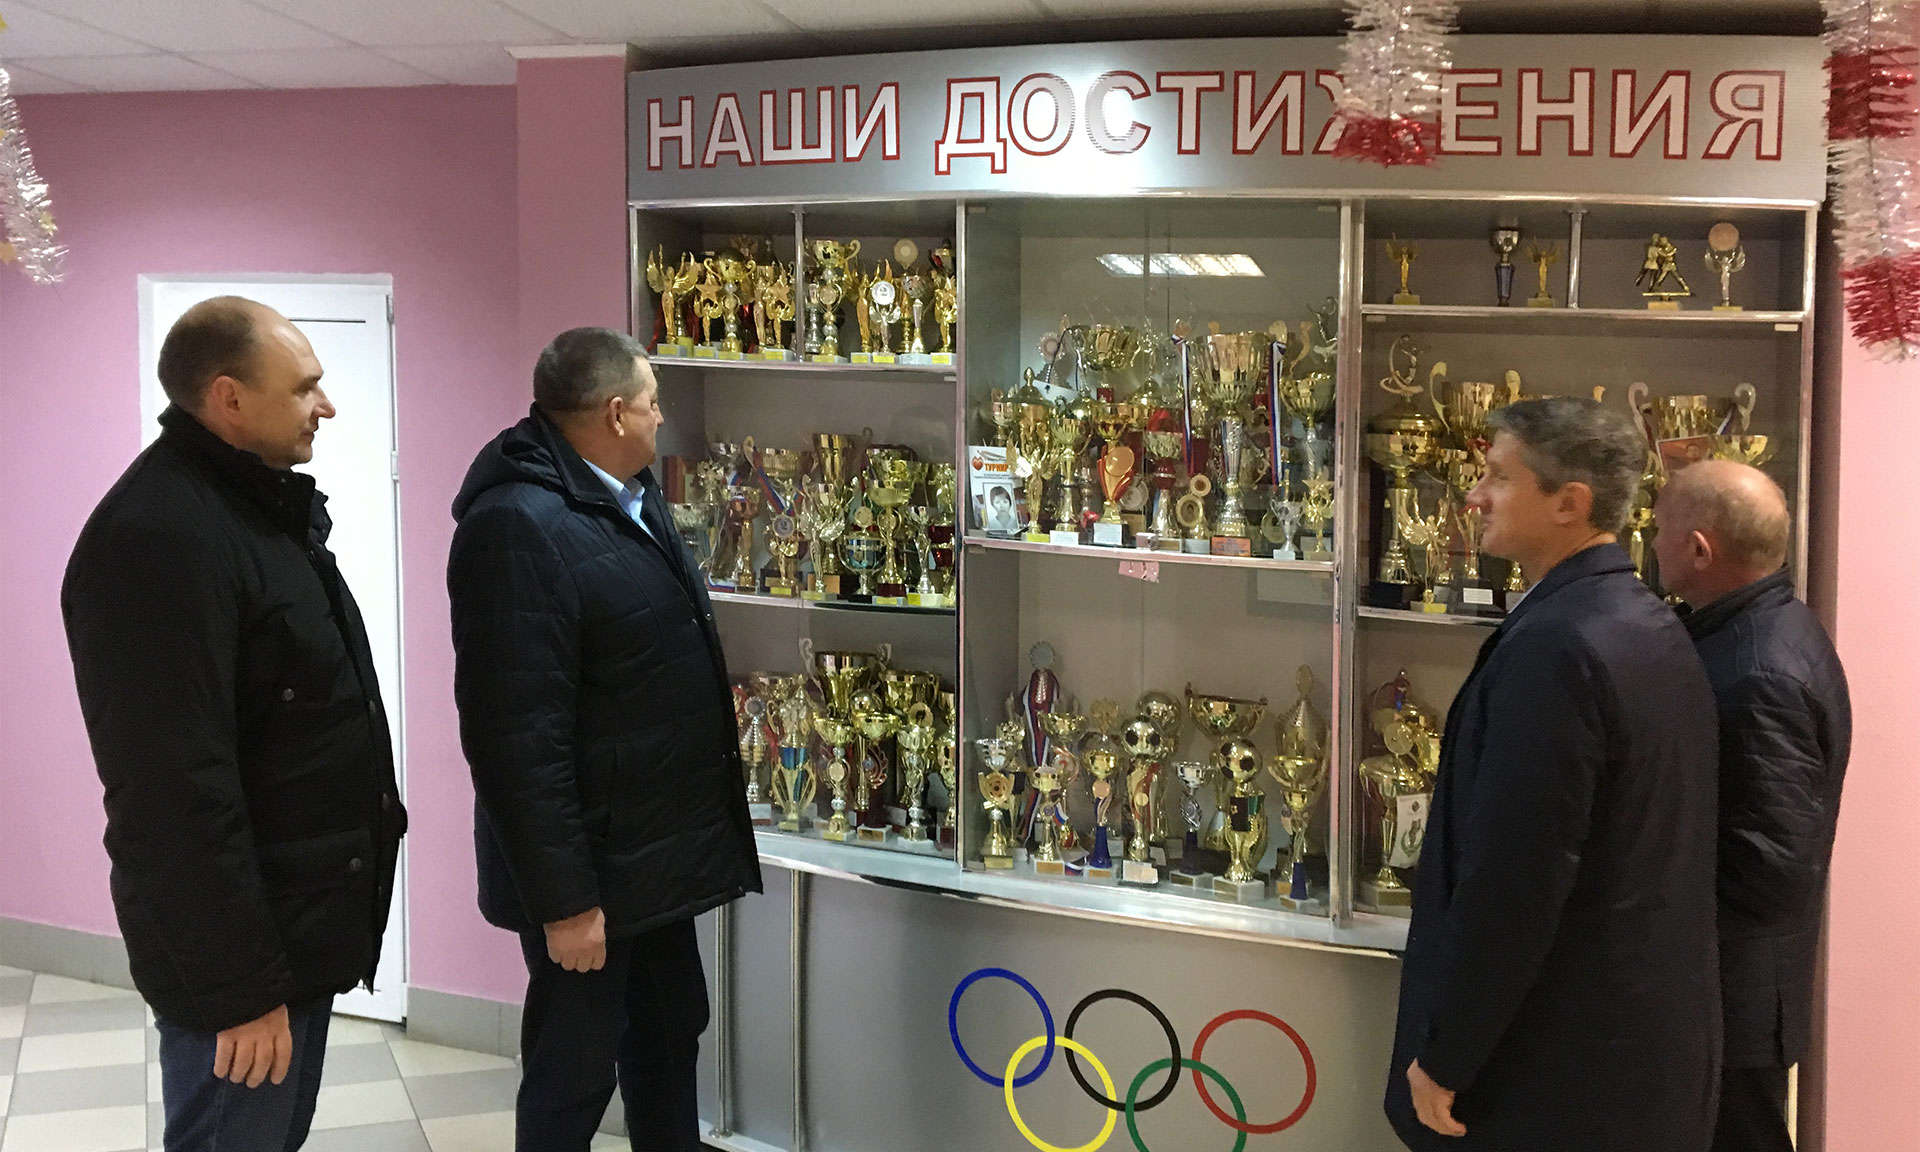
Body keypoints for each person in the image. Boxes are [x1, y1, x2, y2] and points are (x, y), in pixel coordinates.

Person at [62, 297, 405, 1151]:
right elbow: (172, 796)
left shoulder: (258, 511)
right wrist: (241, 990)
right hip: (245, 967)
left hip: (297, 934)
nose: (326, 406)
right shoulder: (157, 538)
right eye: (305, 388)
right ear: (229, 399)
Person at [448, 326, 762, 1152]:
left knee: (670, 1032)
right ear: (616, 412)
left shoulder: (629, 495)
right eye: (654, 403)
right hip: (588, 876)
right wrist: (565, 903)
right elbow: (515, 736)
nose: (663, 417)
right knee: (574, 1071)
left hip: (653, 859)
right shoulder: (516, 526)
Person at [1384, 396, 1721, 1152]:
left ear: (1570, 502)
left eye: (1500, 478)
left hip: (1556, 1072)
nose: (1474, 496)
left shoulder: (1560, 646)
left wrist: (1447, 1053)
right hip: (1634, 1058)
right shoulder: (1643, 619)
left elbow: (1518, 876)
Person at [1655, 460, 1851, 1152]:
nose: (1650, 542)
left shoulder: (1760, 671)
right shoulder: (1757, 630)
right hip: (1724, 991)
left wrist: (1649, 887)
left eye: (1658, 529)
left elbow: (1772, 870)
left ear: (1699, 549)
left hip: (1730, 1001)